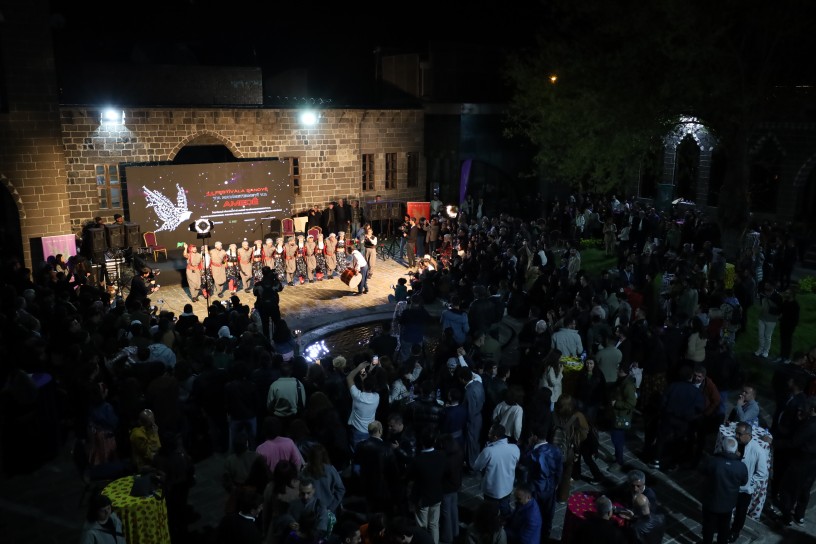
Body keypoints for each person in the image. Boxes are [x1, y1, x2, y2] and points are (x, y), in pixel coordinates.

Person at [517, 422, 562, 542]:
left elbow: (523, 463)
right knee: (548, 516)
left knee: (535, 514)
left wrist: (528, 446)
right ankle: (545, 538)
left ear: (535, 437)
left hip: (536, 489)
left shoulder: (533, 454)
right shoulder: (556, 450)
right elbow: (559, 470)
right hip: (550, 487)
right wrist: (556, 483)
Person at [728, 422, 769, 542]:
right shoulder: (735, 444)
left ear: (748, 435)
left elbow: (762, 472)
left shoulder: (757, 450)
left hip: (744, 489)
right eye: (736, 433)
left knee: (740, 512)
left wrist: (750, 482)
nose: (736, 436)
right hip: (731, 484)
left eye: (739, 434)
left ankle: (735, 532)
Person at [407, 429, 447, 543]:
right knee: (434, 524)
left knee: (422, 527)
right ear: (434, 441)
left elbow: (409, 477)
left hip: (422, 498)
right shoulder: (442, 455)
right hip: (437, 495)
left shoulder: (418, 460)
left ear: (421, 442)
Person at [472, 423, 520, 517]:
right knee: (505, 510)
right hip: (507, 487)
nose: (488, 435)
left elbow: (477, 466)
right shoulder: (514, 448)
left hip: (492, 489)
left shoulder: (489, 451)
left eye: (490, 433)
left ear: (495, 437)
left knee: (489, 514)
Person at [609, 364, 637, 471]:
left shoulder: (628, 385)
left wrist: (616, 403)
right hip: (616, 415)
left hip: (621, 417)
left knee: (617, 439)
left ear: (622, 371)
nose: (616, 371)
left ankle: (619, 461)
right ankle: (617, 455)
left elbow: (631, 403)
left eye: (618, 369)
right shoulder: (622, 381)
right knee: (617, 438)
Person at [346, 361, 380, 447]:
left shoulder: (357, 396)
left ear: (362, 384)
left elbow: (349, 378)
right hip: (370, 429)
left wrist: (359, 367)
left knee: (357, 449)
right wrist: (363, 370)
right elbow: (365, 380)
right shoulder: (377, 397)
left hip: (357, 430)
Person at [754, 281, 782, 359]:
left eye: (768, 285)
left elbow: (780, 309)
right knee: (760, 335)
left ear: (772, 287)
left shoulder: (778, 297)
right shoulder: (762, 294)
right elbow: (762, 304)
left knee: (767, 336)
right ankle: (760, 349)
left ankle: (766, 351)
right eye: (766, 285)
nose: (766, 286)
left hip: (771, 320)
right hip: (762, 317)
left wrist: (773, 312)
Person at [775, 288, 800, 364]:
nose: (786, 294)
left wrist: (792, 326)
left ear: (792, 294)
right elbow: (780, 310)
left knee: (787, 341)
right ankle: (782, 355)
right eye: (786, 293)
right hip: (783, 324)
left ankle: (786, 357)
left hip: (790, 326)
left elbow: (796, 318)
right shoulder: (785, 302)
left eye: (788, 293)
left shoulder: (795, 305)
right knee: (782, 340)